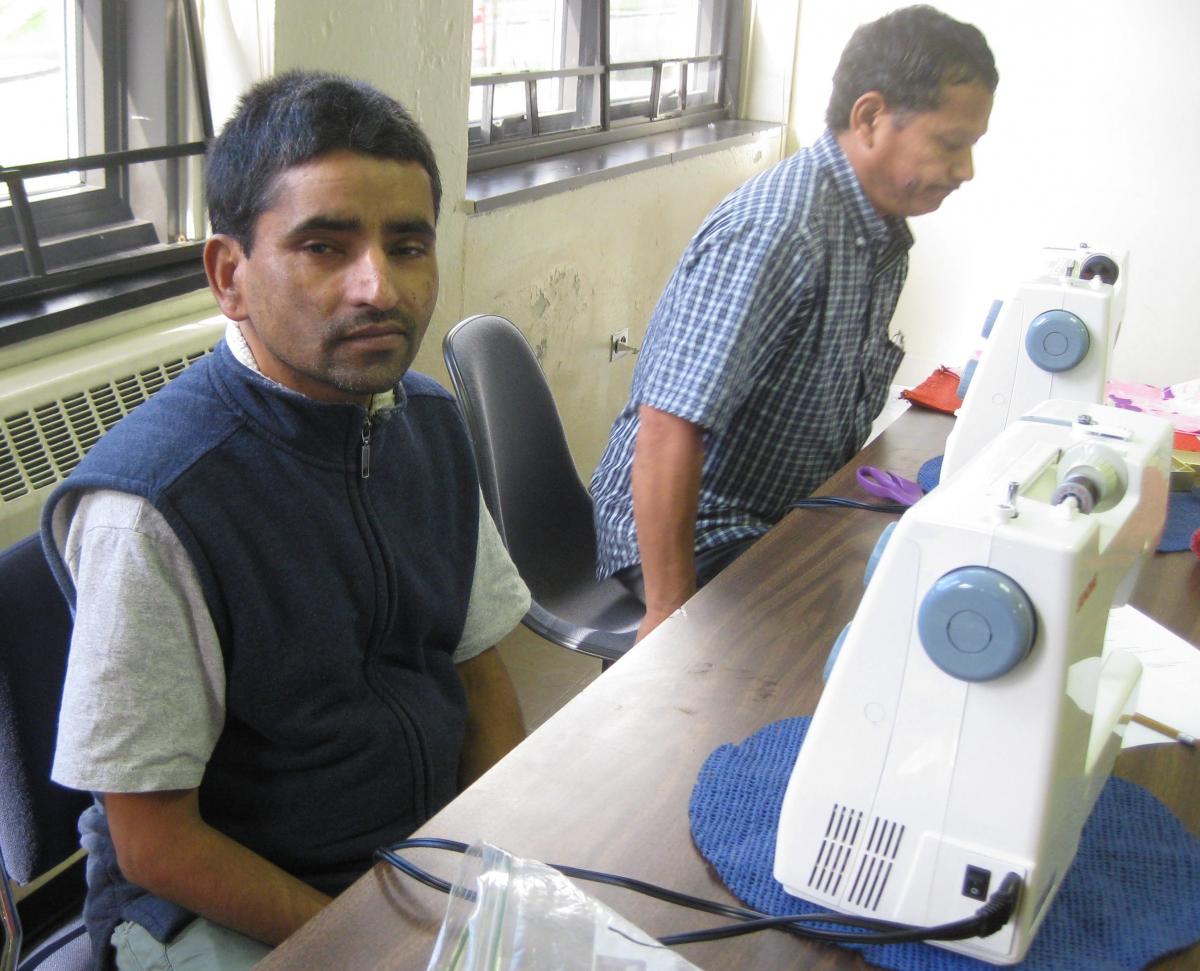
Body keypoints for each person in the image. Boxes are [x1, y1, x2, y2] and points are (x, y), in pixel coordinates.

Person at [41, 71, 530, 971]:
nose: (379, 287)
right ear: (230, 276)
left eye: (408, 245)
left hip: (408, 855)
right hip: (222, 904)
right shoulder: (154, 505)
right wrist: (373, 943)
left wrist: (500, 862)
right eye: (324, 247)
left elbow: (479, 670)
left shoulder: (426, 421)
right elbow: (154, 842)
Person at [590, 5, 997, 642]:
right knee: (859, 639)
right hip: (700, 530)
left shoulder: (876, 232)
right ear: (870, 118)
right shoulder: (781, 231)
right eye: (950, 144)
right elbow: (668, 425)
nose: (966, 170)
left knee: (925, 579)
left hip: (773, 511)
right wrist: (669, 616)